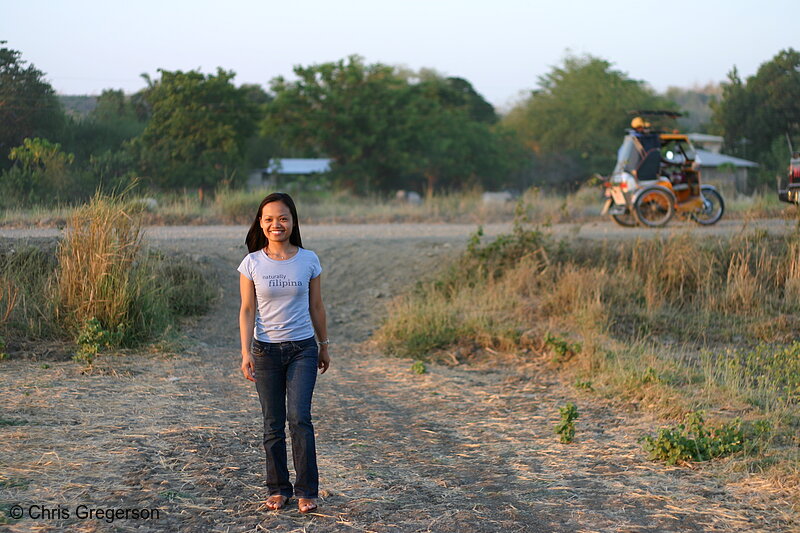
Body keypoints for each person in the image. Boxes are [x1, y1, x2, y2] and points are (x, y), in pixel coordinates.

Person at [238, 192, 330, 514]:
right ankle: (278, 488)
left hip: (303, 349)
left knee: (299, 418)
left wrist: (324, 344)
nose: (276, 224)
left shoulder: (309, 259)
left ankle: (307, 489)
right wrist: (245, 351)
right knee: (272, 423)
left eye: (283, 218)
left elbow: (316, 306)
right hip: (265, 352)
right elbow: (247, 310)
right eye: (269, 219)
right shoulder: (251, 263)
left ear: (292, 222)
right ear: (261, 224)